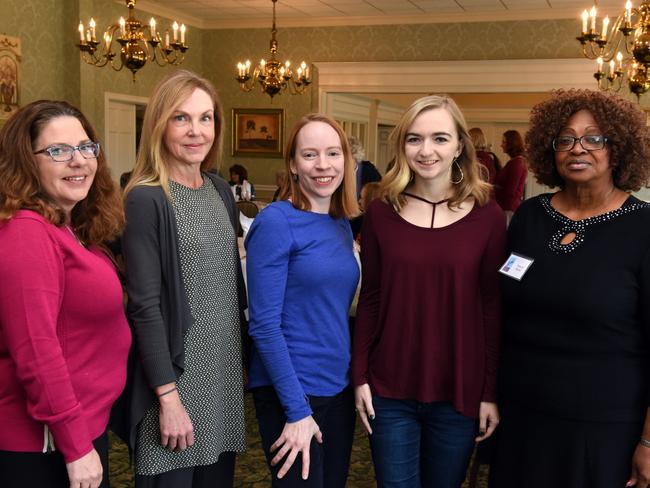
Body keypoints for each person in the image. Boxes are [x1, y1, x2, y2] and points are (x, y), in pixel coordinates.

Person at [490, 89, 650, 488]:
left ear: (620, 147)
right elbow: (501, 308)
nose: (578, 148)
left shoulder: (643, 227)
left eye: (594, 138)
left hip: (603, 427)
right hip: (521, 414)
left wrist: (649, 441)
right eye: (565, 139)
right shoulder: (530, 217)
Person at [352, 95, 506, 488]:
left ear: (459, 146)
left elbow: (491, 306)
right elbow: (370, 298)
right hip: (389, 388)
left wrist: (490, 392)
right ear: (402, 146)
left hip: (459, 387)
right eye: (414, 139)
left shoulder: (487, 213)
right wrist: (360, 376)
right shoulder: (381, 211)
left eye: (439, 138)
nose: (426, 150)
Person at [120, 69, 247, 488]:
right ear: (159, 124)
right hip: (176, 384)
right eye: (181, 118)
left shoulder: (219, 190)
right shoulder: (146, 198)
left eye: (205, 118)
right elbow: (145, 306)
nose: (196, 131)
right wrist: (168, 397)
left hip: (223, 377)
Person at [0, 100, 131, 488]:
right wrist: (74, 444)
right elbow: (37, 351)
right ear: (27, 163)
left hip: (79, 430)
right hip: (45, 445)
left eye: (86, 147)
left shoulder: (64, 226)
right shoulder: (27, 232)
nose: (79, 161)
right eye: (58, 151)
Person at [245, 113, 360, 487]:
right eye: (310, 155)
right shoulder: (277, 222)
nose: (323, 165)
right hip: (291, 391)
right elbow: (263, 325)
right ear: (293, 165)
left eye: (332, 153)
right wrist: (296, 409)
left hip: (337, 387)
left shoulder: (340, 222)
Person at [494, 129, 527, 221]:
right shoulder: (515, 162)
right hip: (506, 208)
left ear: (511, 144)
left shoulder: (517, 163)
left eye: (504, 142)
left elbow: (510, 191)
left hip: (508, 209)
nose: (501, 145)